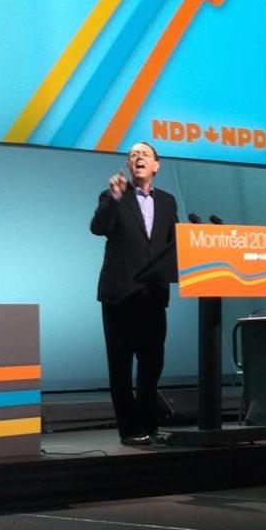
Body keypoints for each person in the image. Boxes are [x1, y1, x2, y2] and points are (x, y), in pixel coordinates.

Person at [90, 141, 178, 446]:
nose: (138, 158)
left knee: (152, 366)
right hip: (119, 296)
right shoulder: (114, 196)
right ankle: (130, 430)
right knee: (121, 367)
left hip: (153, 297)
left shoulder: (168, 202)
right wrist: (113, 199)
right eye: (132, 155)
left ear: (156, 165)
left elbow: (175, 244)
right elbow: (98, 227)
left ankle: (149, 425)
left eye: (144, 154)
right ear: (129, 165)